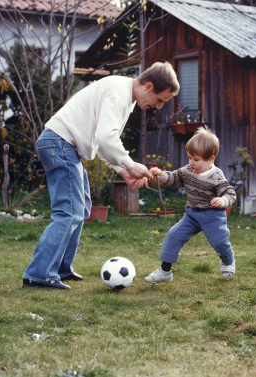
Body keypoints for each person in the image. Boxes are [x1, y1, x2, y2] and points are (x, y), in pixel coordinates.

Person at [23, 62, 180, 289]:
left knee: (81, 208)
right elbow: (107, 139)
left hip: (63, 146)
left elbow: (102, 142)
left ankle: (60, 269)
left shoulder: (124, 96)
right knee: (69, 212)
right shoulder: (119, 92)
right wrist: (131, 164)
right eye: (160, 100)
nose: (157, 106)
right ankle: (39, 273)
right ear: (148, 86)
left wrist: (123, 172)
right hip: (60, 144)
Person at [145, 126, 236, 284]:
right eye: (190, 158)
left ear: (210, 159)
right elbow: (174, 178)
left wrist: (223, 201)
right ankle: (165, 271)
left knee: (219, 241)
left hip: (213, 215)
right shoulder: (187, 171)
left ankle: (228, 261)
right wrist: (161, 174)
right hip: (192, 214)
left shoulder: (216, 176)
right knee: (173, 235)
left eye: (196, 159)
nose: (191, 163)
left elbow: (230, 193)